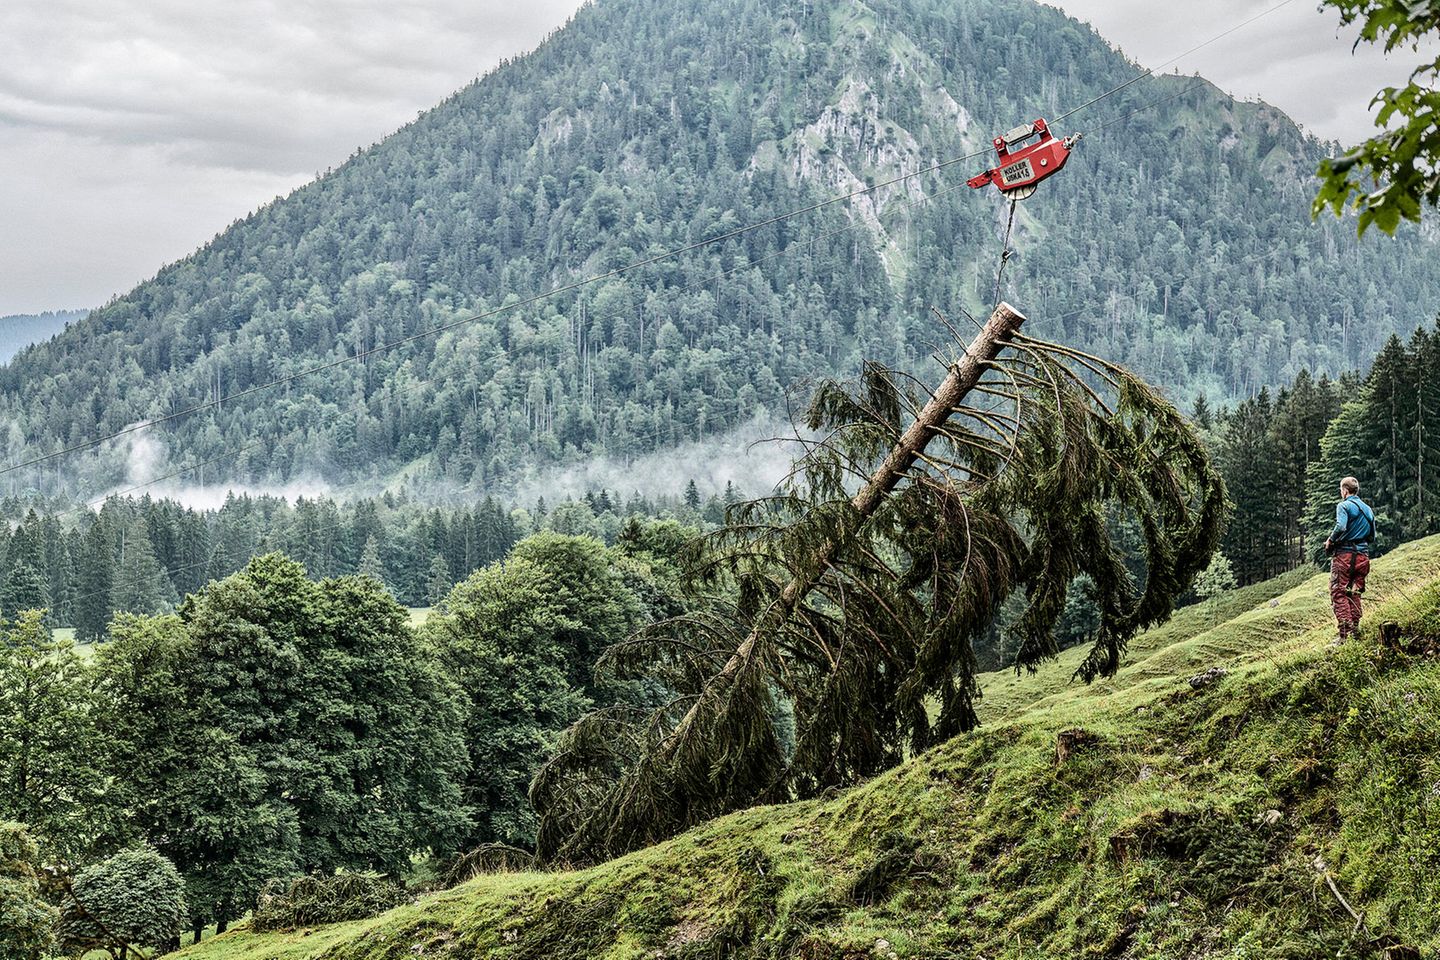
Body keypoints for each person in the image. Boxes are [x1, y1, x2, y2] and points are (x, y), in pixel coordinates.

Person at [1324, 476, 1375, 641]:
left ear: (1344, 490)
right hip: (1363, 556)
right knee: (1354, 592)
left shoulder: (1343, 506)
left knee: (1338, 592)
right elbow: (1372, 536)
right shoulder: (1368, 509)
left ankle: (1345, 636)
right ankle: (1355, 631)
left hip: (1345, 556)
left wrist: (1330, 540)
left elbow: (1341, 526)